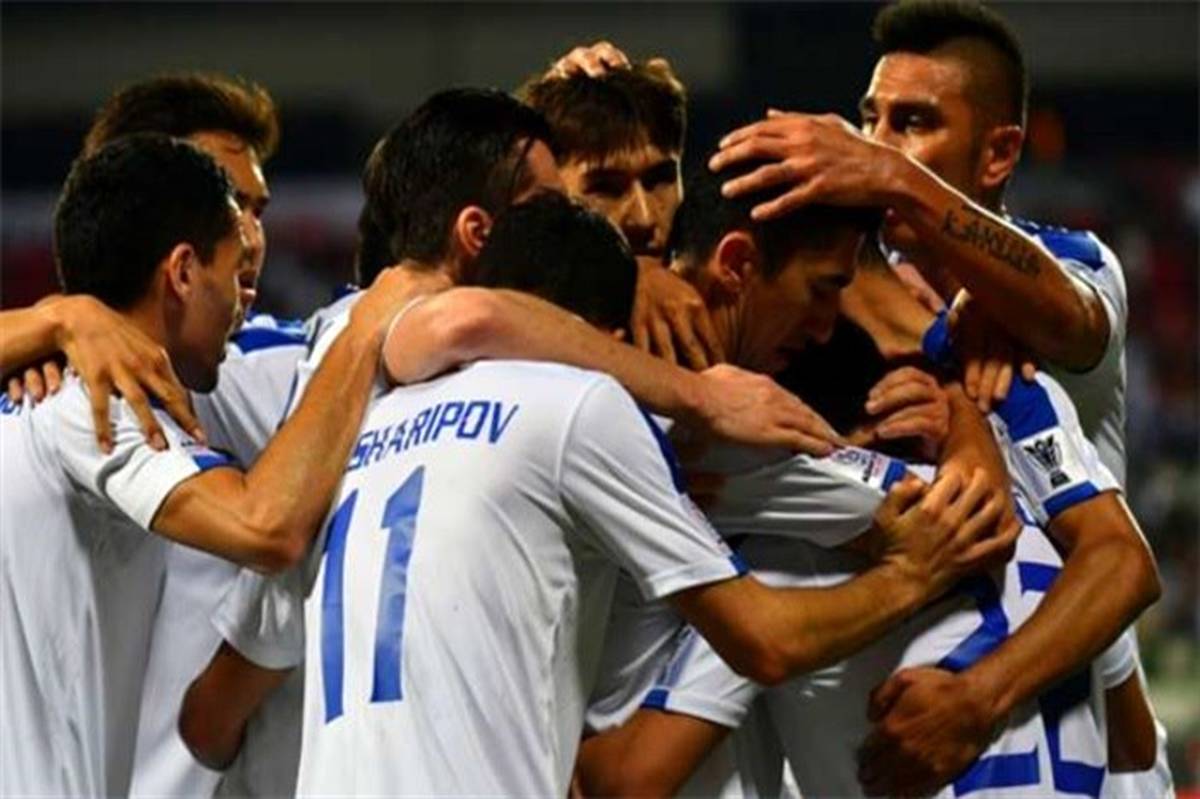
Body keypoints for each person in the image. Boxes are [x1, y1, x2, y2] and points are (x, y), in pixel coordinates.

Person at [185, 191, 1013, 797]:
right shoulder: (587, 407)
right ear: (607, 338)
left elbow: (206, 721)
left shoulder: (353, 433)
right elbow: (769, 636)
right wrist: (917, 558)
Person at [709, 2, 1167, 794]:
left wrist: (891, 177)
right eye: (870, 119)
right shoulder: (841, 295)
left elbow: (1068, 318)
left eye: (914, 122)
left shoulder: (1070, 263)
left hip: (1067, 700)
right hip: (902, 715)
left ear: (999, 153)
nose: (879, 144)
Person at [0, 134, 425, 797]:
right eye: (233, 274)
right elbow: (266, 527)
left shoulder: (30, 388)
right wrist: (365, 330)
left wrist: (55, 318)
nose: (240, 303)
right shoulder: (94, 401)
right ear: (181, 271)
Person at [519, 47, 725, 371]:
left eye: (659, 180)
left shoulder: (729, 296)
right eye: (606, 188)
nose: (644, 217)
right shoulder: (494, 319)